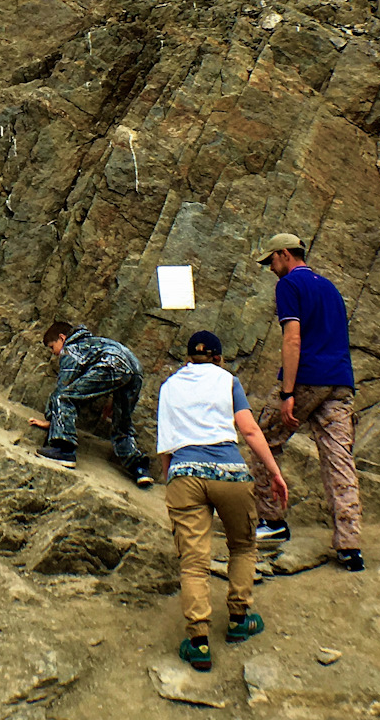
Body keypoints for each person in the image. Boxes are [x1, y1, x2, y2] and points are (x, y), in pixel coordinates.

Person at [153, 329, 288, 671]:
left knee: (193, 562)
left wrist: (172, 481)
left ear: (187, 358)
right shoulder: (228, 380)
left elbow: (166, 445)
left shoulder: (169, 387)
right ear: (218, 357)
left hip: (185, 473)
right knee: (242, 545)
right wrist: (274, 473)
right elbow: (250, 430)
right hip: (229, 471)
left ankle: (198, 642)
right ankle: (239, 619)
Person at [249, 233, 364, 571]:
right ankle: (349, 544)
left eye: (271, 260)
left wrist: (288, 393)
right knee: (339, 459)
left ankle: (272, 522)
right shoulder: (330, 288)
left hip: (306, 378)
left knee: (263, 440)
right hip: (340, 381)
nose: (270, 268)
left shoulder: (289, 286)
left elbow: (293, 337)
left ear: (285, 255)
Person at [36, 321, 150, 484]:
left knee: (64, 397)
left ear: (62, 338)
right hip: (135, 369)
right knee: (122, 423)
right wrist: (114, 399)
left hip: (111, 366)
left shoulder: (71, 349)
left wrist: (51, 419)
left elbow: (64, 386)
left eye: (52, 347)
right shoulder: (96, 342)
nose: (53, 353)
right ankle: (139, 468)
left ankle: (64, 449)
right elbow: (125, 369)